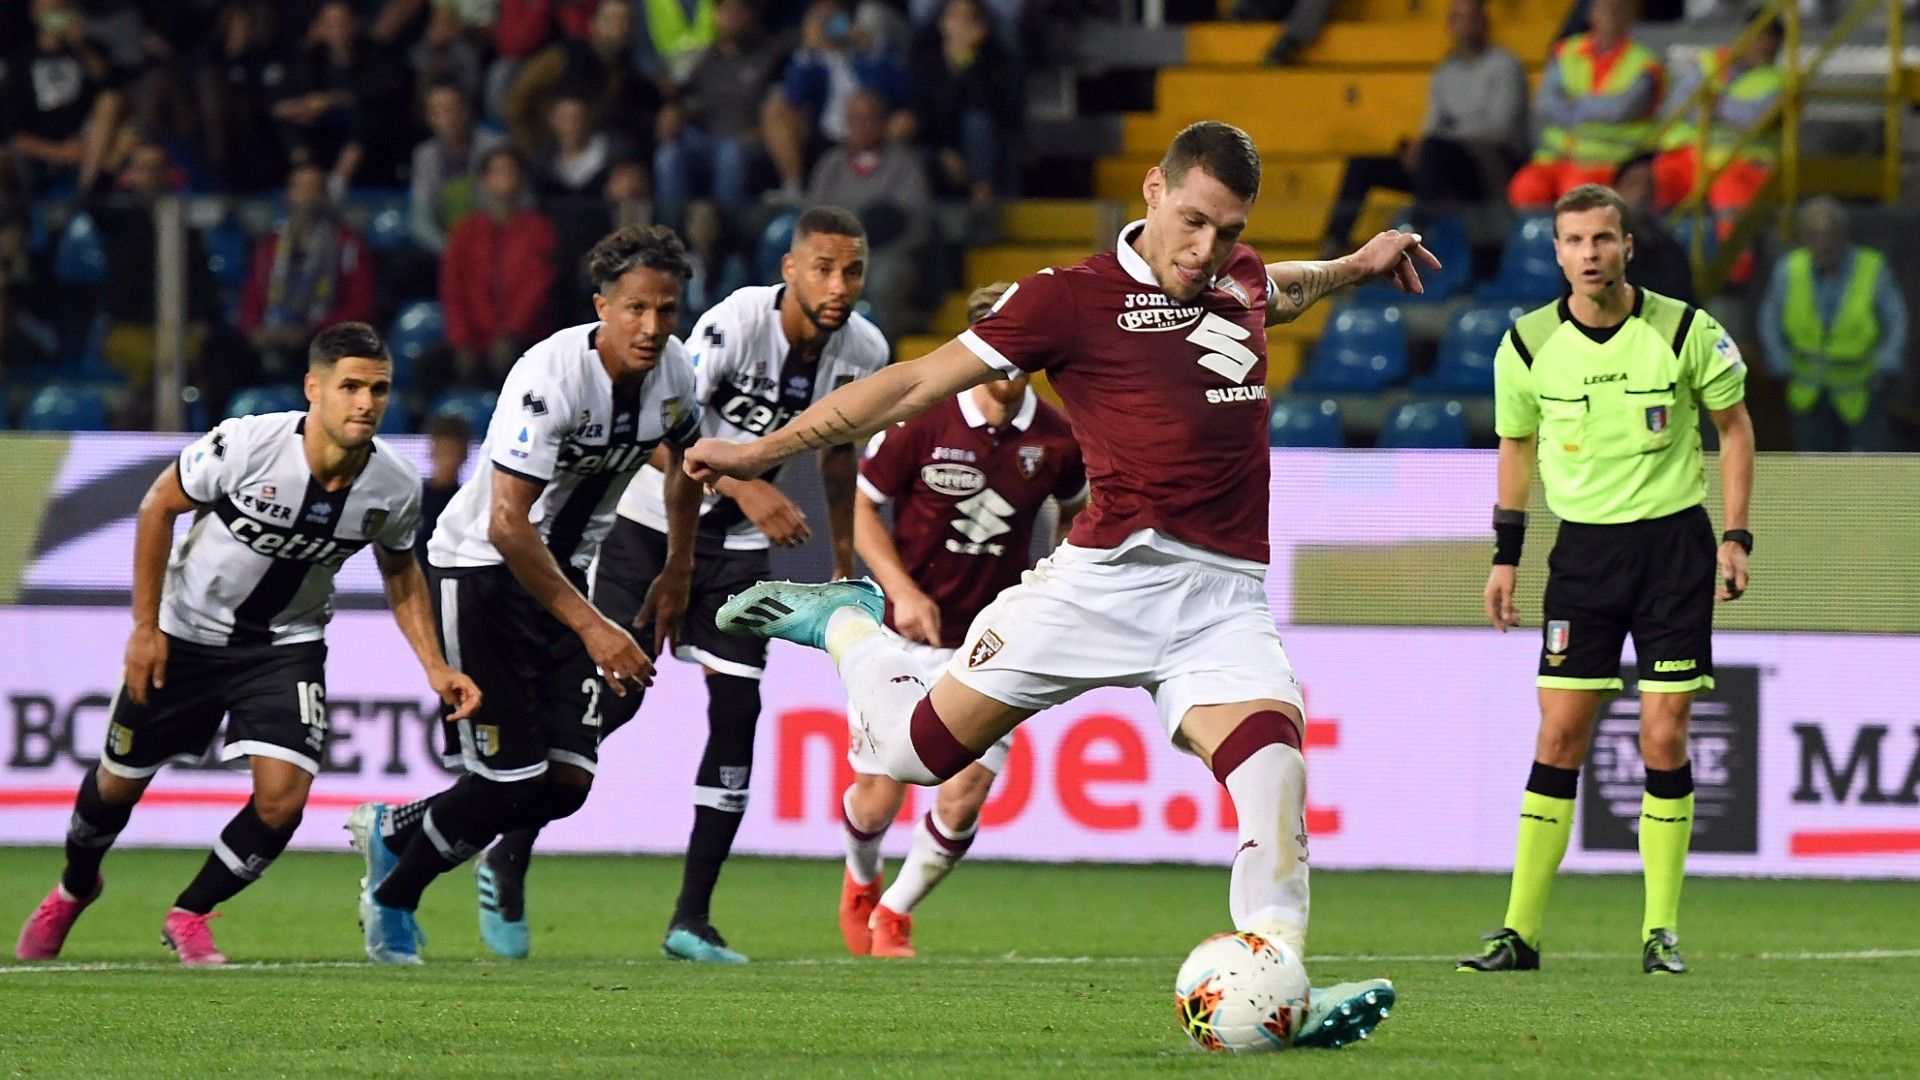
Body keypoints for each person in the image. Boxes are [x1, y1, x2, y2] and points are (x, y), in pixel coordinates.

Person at [682, 121, 1436, 1046]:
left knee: (1274, 770)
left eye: (1229, 231)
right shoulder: (1067, 299)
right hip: (1103, 584)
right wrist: (763, 451)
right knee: (918, 757)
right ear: (1153, 190)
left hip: (1222, 601)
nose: (1208, 251)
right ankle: (848, 626)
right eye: (1194, 222)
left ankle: (1283, 984)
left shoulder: (1236, 278)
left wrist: (1359, 261)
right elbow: (914, 382)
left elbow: (1285, 287)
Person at [471, 206, 889, 965]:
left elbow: (838, 457)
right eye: (823, 268)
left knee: (739, 709)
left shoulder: (865, 349)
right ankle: (509, 848)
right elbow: (666, 441)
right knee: (611, 707)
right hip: (646, 530)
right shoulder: (731, 327)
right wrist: (744, 489)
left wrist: (842, 564)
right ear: (788, 270)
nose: (838, 285)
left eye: (852, 270)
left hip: (736, 553)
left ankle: (691, 919)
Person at [12, 322, 480, 966]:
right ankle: (73, 887)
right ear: (314, 389)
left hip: (286, 645)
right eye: (350, 387)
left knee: (284, 797)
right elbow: (157, 507)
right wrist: (145, 628)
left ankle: (191, 911)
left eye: (378, 389)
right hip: (187, 635)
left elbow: (401, 571)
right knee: (116, 786)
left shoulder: (393, 485)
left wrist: (435, 665)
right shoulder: (247, 445)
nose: (366, 403)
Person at [352, 225, 705, 965]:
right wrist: (596, 628)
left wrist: (678, 567)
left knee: (567, 782)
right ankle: (391, 897)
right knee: (506, 776)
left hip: (562, 576)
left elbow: (684, 463)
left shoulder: (675, 373)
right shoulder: (550, 376)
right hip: (479, 571)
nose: (652, 327)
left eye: (667, 310)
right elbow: (509, 524)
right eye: (636, 308)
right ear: (601, 305)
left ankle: (395, 831)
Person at [1461, 183, 1754, 976]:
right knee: (1559, 733)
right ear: (1555, 254)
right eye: (1574, 242)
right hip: (1583, 557)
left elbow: (1734, 429)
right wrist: (1505, 555)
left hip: (1673, 552)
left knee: (1663, 734)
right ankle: (1519, 934)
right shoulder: (1525, 346)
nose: (1589, 255)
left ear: (1628, 245)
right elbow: (1516, 447)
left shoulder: (1687, 330)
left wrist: (1735, 536)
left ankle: (1660, 931)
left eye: (1603, 239)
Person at [838, 282, 1086, 959]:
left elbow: (1075, 511)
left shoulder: (1057, 438)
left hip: (993, 643)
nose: (1007, 372)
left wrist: (1056, 577)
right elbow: (862, 511)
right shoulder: (921, 420)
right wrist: (901, 589)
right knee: (877, 800)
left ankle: (894, 913)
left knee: (964, 794)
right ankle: (861, 880)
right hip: (902, 637)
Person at [1320, 0, 1529, 254]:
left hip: (1486, 164)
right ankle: (1333, 244)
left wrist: (1439, 139)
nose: (1463, 27)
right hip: (1440, 161)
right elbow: (1432, 125)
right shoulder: (1445, 71)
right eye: (1456, 19)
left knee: (1434, 149)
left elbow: (1499, 129)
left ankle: (1416, 242)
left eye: (1469, 19)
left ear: (1483, 22)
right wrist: (1419, 146)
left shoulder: (1505, 66)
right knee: (1364, 165)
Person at [1757, 196, 1907, 452]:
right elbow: (1769, 319)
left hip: (1859, 390)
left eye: (1830, 234)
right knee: (1815, 472)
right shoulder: (1789, 270)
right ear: (1803, 237)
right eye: (1814, 235)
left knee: (1867, 469)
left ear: (1844, 234)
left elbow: (1896, 318)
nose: (1823, 244)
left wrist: (1887, 360)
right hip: (1807, 391)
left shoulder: (1872, 268)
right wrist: (1778, 358)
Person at [1508, 0, 1663, 210]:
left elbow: (1621, 110)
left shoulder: (1644, 62)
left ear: (1630, 16)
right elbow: (1546, 105)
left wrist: (1575, 103)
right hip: (1555, 157)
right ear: (1590, 13)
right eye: (1604, 7)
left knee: (1576, 192)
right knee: (1524, 188)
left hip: (1608, 162)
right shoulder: (1566, 51)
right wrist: (1598, 107)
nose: (1610, 14)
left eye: (1617, 9)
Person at [804, 89, 931, 335]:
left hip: (886, 254)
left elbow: (917, 227)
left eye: (870, 118)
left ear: (884, 122)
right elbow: (812, 219)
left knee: (884, 282)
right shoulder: (830, 166)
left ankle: (881, 360)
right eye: (856, 120)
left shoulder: (905, 166)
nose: (863, 126)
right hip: (832, 255)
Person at [240, 161, 379, 378]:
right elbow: (253, 294)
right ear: (289, 194)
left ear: (325, 195)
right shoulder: (271, 244)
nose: (306, 197)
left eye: (313, 189)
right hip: (273, 332)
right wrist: (254, 328)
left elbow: (360, 306)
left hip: (325, 340)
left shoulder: (348, 243)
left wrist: (311, 333)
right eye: (299, 188)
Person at [439, 147, 559, 388]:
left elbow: (536, 289)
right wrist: (462, 340)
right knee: (432, 365)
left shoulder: (540, 230)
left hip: (524, 339)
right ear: (484, 181)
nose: (505, 178)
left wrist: (510, 334)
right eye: (497, 171)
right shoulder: (465, 233)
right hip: (474, 340)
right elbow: (453, 290)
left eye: (511, 171)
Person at [1611, 153, 1694, 305]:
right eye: (1633, 184)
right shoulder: (1600, 249)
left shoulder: (1671, 251)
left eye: (1650, 183)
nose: (1644, 191)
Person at [417, 412, 473, 564]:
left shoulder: (471, 504)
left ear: (465, 455)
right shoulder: (412, 501)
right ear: (432, 452)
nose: (448, 461)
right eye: (444, 452)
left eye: (454, 453)